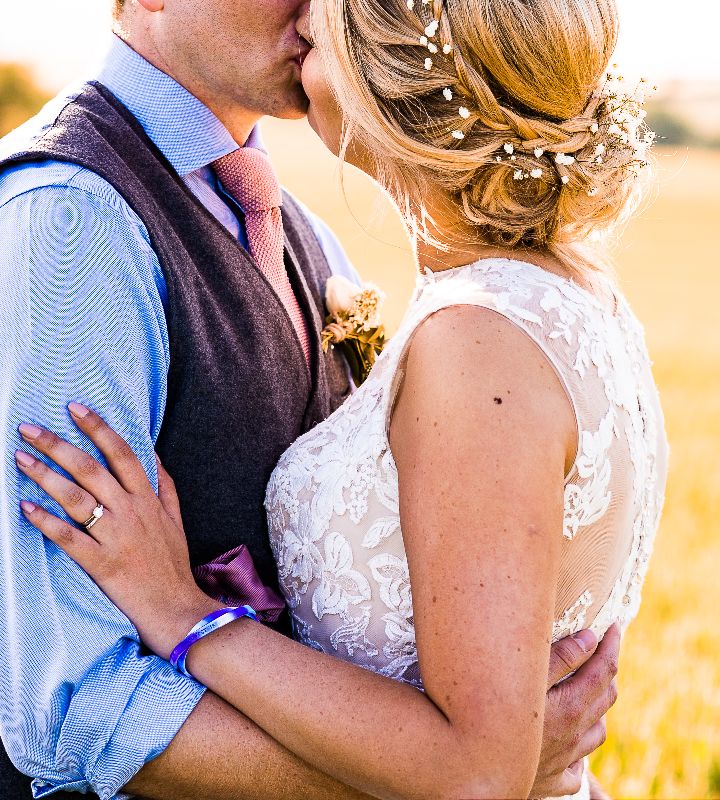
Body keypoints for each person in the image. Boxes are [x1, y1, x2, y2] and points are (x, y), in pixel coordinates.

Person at [0, 0, 627, 797]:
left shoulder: (306, 236)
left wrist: (477, 757)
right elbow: (75, 706)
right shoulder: (69, 221)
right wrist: (449, 775)